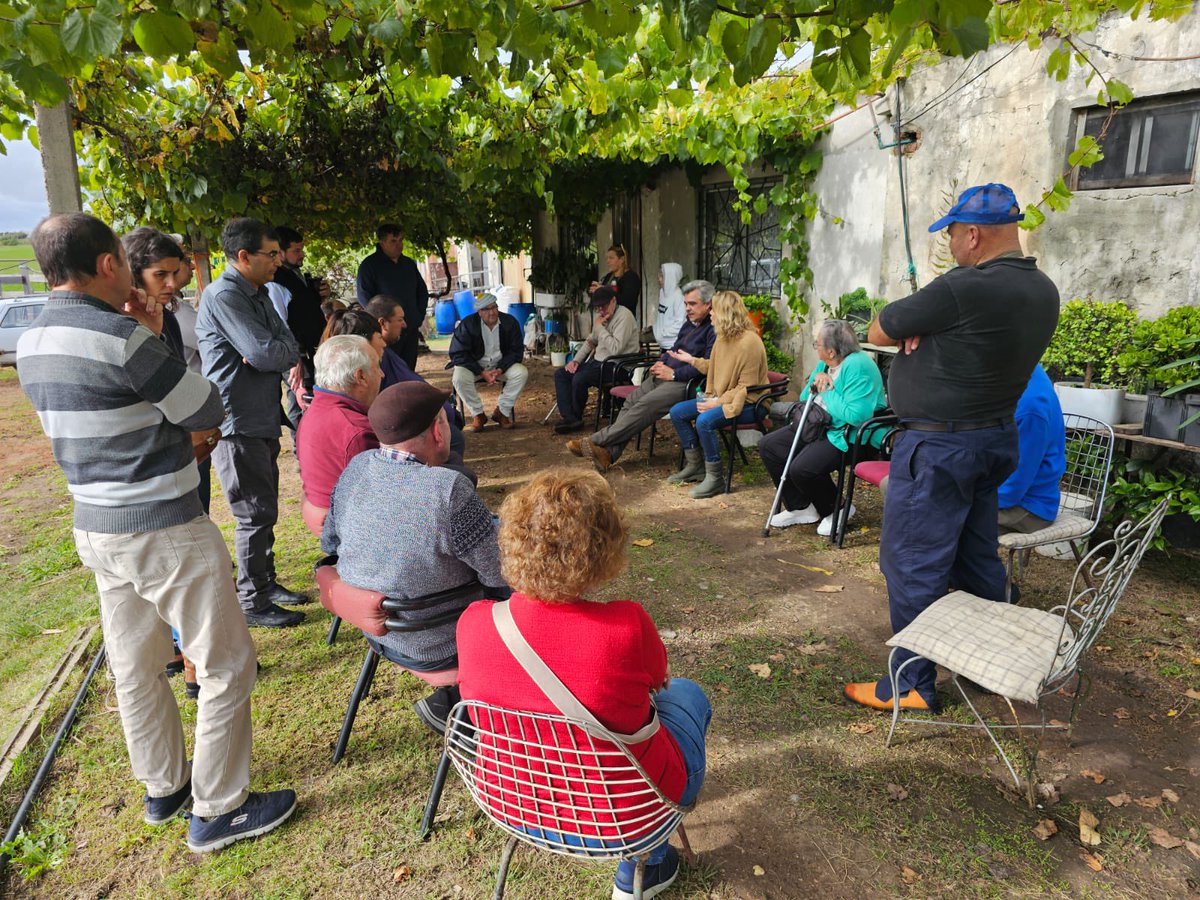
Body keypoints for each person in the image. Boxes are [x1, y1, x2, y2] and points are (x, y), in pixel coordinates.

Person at [17, 213, 296, 853]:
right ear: (110, 264)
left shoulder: (31, 340)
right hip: (165, 524)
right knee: (225, 661)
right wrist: (152, 338)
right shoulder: (123, 337)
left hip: (95, 524)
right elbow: (204, 406)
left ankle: (164, 788)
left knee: (135, 665)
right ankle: (220, 807)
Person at [843, 183, 1060, 713]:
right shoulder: (1043, 291)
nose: (951, 249)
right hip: (991, 440)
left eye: (953, 238)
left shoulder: (963, 288)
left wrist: (920, 330)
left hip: (939, 447)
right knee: (974, 558)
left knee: (911, 563)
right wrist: (931, 334)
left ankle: (912, 683)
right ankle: (992, 663)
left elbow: (880, 326)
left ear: (974, 234)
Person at [455, 469, 711, 900]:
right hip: (621, 820)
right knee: (687, 693)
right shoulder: (626, 625)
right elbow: (659, 682)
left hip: (509, 801)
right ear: (603, 550)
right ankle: (641, 868)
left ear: (512, 542)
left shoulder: (474, 622)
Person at [321, 382, 509, 733]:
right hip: (442, 641)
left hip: (376, 631)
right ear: (439, 431)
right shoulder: (446, 489)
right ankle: (465, 705)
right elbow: (501, 573)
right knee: (536, 596)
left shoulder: (357, 468)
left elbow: (329, 541)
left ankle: (453, 702)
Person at [196, 217, 307, 629]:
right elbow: (264, 354)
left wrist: (274, 352)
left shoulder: (258, 293)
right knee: (253, 513)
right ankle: (253, 599)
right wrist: (271, 352)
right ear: (244, 257)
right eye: (272, 254)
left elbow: (286, 346)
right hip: (235, 421)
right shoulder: (224, 295)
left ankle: (266, 583)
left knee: (266, 508)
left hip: (260, 415)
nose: (280, 260)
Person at [567, 279, 716, 473]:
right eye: (686, 304)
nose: (687, 308)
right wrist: (662, 360)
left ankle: (595, 440)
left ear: (708, 304)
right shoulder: (689, 323)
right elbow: (675, 348)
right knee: (631, 401)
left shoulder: (713, 328)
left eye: (693, 304)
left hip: (687, 384)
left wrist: (674, 373)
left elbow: (708, 366)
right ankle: (609, 454)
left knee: (643, 406)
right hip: (664, 374)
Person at [760, 320, 887, 536]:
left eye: (816, 344)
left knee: (802, 468)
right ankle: (801, 507)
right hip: (817, 425)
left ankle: (837, 508)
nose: (815, 347)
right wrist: (818, 383)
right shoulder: (827, 363)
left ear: (831, 350)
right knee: (770, 445)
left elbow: (856, 416)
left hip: (850, 435)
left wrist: (827, 389)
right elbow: (804, 397)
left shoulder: (858, 366)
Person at [326, 301, 468, 460]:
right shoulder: (359, 429)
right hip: (403, 431)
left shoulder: (377, 360)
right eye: (379, 336)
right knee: (454, 442)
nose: (383, 343)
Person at [666, 290, 769, 499]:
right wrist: (692, 360)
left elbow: (746, 388)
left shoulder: (750, 342)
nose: (710, 313)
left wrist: (716, 402)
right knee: (677, 412)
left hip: (750, 404)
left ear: (725, 313)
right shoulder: (723, 337)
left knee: (704, 420)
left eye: (714, 309)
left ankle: (716, 478)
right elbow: (716, 367)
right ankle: (696, 466)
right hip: (724, 398)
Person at [296, 335, 383, 513]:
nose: (382, 374)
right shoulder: (358, 432)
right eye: (377, 367)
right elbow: (378, 504)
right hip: (346, 528)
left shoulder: (314, 410)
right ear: (361, 377)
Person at [552, 285, 639, 434]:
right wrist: (576, 361)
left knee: (580, 378)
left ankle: (575, 417)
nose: (601, 311)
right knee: (562, 374)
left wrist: (600, 329)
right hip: (599, 363)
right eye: (597, 308)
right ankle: (570, 417)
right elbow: (591, 341)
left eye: (603, 306)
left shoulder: (624, 316)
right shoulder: (603, 318)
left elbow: (616, 349)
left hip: (618, 365)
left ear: (613, 301)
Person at [999, 363, 1066, 535]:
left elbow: (1011, 489)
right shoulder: (1026, 365)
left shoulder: (1028, 406)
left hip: (1028, 507)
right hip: (1007, 493)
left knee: (941, 524)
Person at [448, 292, 529, 432]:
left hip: (500, 365)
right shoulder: (467, 325)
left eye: (494, 307)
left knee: (521, 373)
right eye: (486, 309)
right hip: (475, 366)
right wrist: (481, 371)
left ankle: (502, 412)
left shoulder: (510, 322)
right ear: (479, 312)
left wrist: (500, 369)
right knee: (459, 377)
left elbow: (516, 351)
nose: (491, 312)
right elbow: (458, 354)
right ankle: (478, 414)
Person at [355, 223, 429, 370]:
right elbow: (365, 299)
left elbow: (422, 292)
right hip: (386, 332)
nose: (398, 245)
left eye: (400, 240)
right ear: (381, 243)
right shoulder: (369, 266)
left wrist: (418, 316)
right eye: (393, 241)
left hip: (410, 328)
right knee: (387, 370)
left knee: (408, 369)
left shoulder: (408, 264)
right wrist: (380, 325)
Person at [589, 244, 641, 321]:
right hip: (607, 321)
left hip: (623, 321)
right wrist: (597, 291)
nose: (608, 261)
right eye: (607, 258)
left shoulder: (631, 277)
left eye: (611, 258)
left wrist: (604, 290)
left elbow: (627, 301)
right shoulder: (608, 276)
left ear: (622, 260)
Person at [653, 262, 686, 351]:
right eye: (659, 276)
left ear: (671, 277)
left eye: (662, 277)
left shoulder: (678, 297)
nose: (659, 279)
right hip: (662, 344)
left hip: (672, 345)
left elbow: (680, 323)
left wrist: (663, 332)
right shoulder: (662, 292)